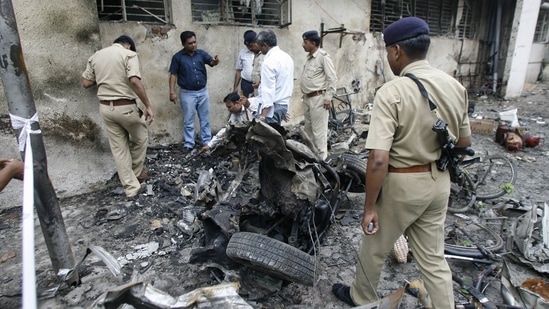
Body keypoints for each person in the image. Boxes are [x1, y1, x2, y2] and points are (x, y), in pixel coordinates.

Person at [332, 17, 471, 308]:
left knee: (374, 248)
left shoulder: (392, 92)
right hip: (439, 183)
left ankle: (361, 298)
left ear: (396, 51)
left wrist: (369, 207)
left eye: (386, 51)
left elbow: (379, 159)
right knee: (433, 258)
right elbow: (463, 144)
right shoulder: (455, 87)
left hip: (403, 185)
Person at [82, 35, 154, 199]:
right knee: (141, 138)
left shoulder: (96, 56)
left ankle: (130, 188)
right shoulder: (129, 55)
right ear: (128, 45)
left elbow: (86, 83)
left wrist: (103, 79)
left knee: (119, 149)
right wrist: (148, 105)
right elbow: (135, 81)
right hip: (125, 107)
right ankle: (135, 175)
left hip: (106, 108)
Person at [169, 31, 220, 152]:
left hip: (203, 92)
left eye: (194, 42)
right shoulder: (178, 57)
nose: (193, 45)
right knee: (188, 120)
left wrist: (215, 61)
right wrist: (172, 92)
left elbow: (211, 62)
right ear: (183, 44)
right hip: (187, 93)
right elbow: (173, 74)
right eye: (190, 43)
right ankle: (189, 144)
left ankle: (207, 142)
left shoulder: (201, 54)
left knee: (205, 118)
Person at [242, 29, 293, 125]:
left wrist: (263, 116)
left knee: (267, 139)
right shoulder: (287, 57)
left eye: (259, 45)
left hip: (271, 109)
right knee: (275, 137)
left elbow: (268, 91)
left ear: (265, 45)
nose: (259, 49)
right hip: (283, 105)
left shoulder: (269, 62)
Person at [300, 30, 337, 160]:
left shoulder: (323, 57)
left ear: (313, 43)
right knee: (308, 131)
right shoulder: (309, 58)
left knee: (319, 133)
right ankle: (310, 160)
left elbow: (332, 78)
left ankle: (322, 163)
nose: (303, 45)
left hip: (319, 99)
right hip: (308, 98)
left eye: (305, 42)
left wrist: (328, 98)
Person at [233, 30, 257, 98]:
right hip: (246, 84)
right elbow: (238, 71)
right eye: (248, 46)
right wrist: (235, 87)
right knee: (246, 104)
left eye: (251, 45)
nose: (250, 48)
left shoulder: (262, 53)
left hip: (259, 84)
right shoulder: (242, 53)